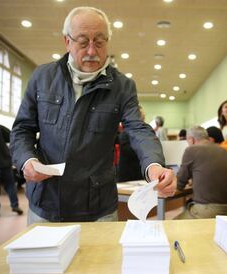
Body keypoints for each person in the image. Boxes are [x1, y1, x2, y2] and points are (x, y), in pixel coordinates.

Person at [10, 7, 176, 225]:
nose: (91, 51)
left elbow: (138, 129)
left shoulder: (122, 86)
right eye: (82, 42)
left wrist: (154, 166)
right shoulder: (43, 77)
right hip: (46, 200)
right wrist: (27, 161)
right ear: (67, 41)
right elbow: (22, 129)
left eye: (99, 42)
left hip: (97, 206)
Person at [175, 126, 227, 219]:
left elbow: (179, 184)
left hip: (209, 211)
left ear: (191, 140)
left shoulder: (191, 150)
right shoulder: (224, 151)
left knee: (170, 226)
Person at [117, 105, 146, 181]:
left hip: (139, 173)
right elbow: (129, 151)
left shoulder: (144, 132)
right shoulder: (125, 133)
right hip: (127, 174)